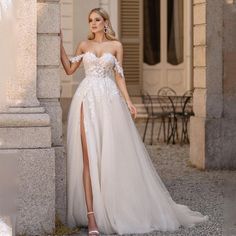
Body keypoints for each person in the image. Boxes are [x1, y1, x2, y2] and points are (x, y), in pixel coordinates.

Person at [60, 7, 208, 236]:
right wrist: (58, 44)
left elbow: (119, 76)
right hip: (86, 99)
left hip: (109, 102)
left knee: (110, 155)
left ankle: (112, 208)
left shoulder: (116, 46)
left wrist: (129, 102)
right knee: (88, 157)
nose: (93, 23)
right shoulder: (83, 45)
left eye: (97, 20)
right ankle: (91, 218)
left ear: (106, 22)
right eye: (90, 20)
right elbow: (70, 69)